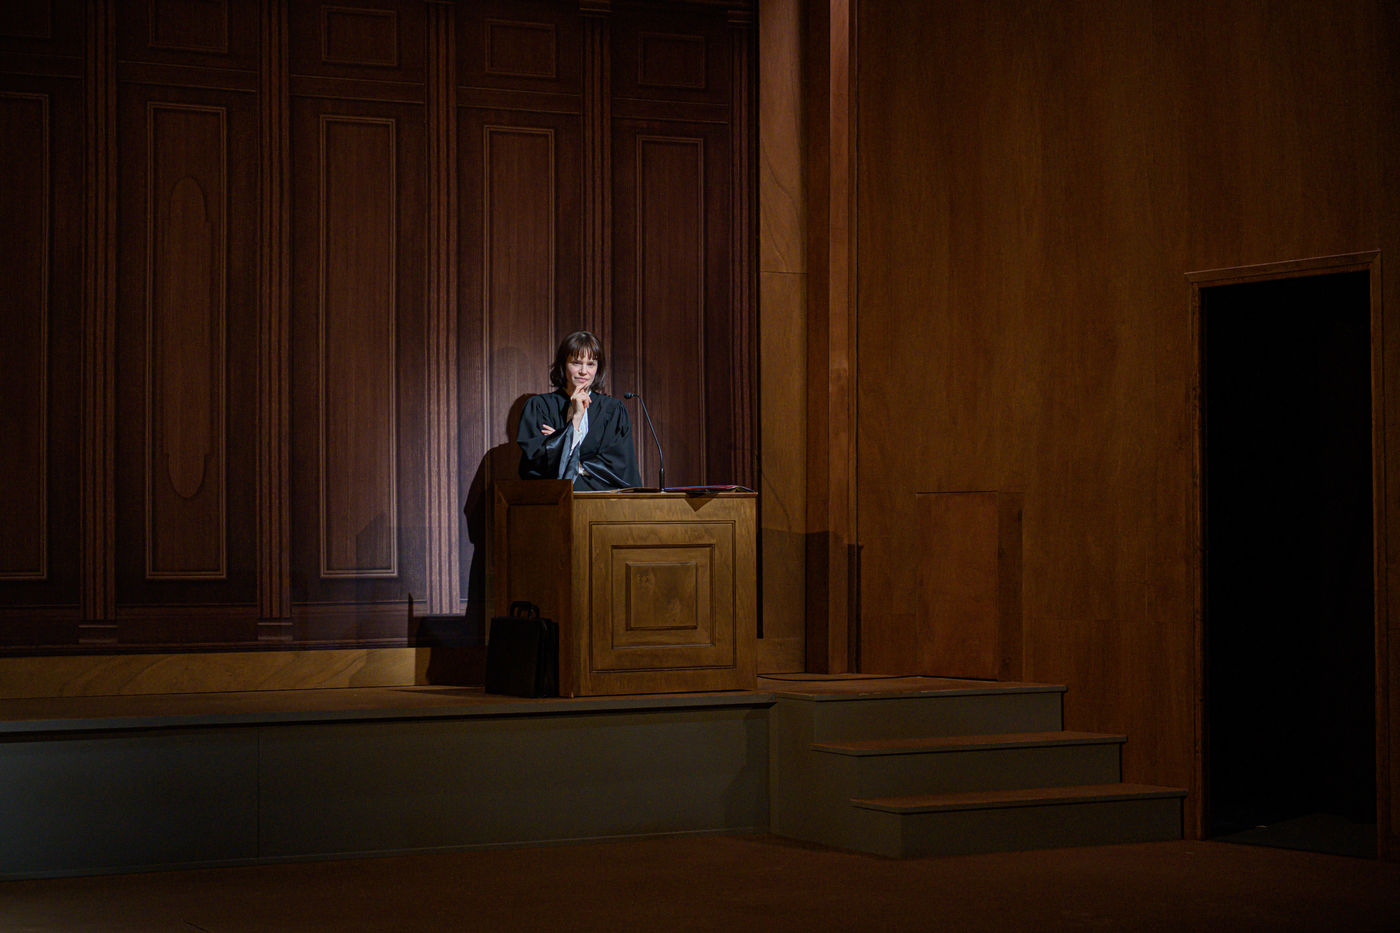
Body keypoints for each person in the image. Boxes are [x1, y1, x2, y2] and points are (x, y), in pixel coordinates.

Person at [516, 331, 643, 490]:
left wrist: (561, 444)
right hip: (554, 497)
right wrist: (575, 420)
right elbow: (536, 462)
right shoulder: (539, 407)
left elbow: (619, 466)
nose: (584, 371)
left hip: (602, 498)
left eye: (591, 364)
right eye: (576, 363)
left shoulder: (613, 410)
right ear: (563, 364)